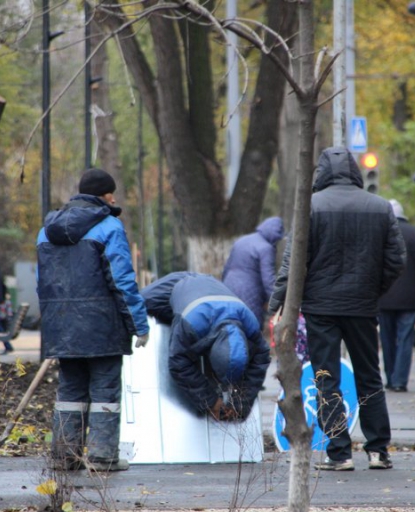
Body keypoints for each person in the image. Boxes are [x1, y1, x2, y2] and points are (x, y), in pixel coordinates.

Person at [269, 146, 406, 472]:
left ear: (321, 172)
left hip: (321, 309)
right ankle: (378, 450)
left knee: (326, 377)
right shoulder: (380, 207)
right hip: (362, 306)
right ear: (355, 171)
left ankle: (339, 452)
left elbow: (293, 263)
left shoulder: (311, 207)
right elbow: (396, 260)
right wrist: (374, 290)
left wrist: (277, 303)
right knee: (371, 376)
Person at [37, 168, 149, 473]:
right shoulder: (109, 227)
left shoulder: (46, 230)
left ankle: (64, 455)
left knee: (70, 391)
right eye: (111, 192)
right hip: (102, 326)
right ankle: (102, 457)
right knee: (105, 391)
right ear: (106, 195)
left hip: (61, 326)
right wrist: (139, 324)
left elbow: (42, 282)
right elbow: (122, 280)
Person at [141, 271, 271, 421]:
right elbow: (178, 362)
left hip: (208, 288)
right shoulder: (191, 323)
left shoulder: (249, 324)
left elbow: (261, 358)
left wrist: (241, 403)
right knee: (131, 309)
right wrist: (211, 401)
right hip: (173, 289)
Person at [378, 200, 415, 393]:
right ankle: (400, 381)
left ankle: (390, 377)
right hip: (410, 299)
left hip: (383, 299)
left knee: (386, 340)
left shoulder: (379, 234)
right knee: (405, 340)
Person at [222, 217, 285, 327]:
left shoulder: (241, 240)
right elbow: (268, 279)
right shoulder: (266, 248)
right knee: (251, 329)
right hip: (250, 292)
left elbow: (227, 267)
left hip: (228, 287)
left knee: (230, 326)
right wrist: (278, 302)